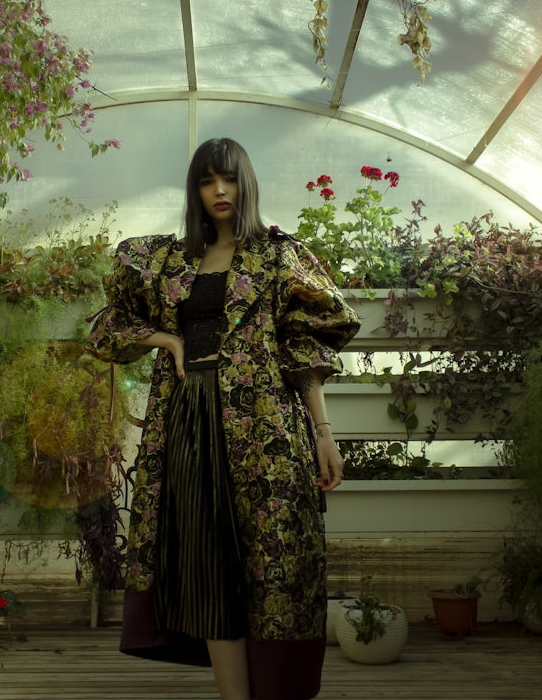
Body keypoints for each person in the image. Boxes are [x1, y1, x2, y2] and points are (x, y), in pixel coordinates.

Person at [86, 138, 361, 700]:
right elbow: (104, 328)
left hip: (266, 428)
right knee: (207, 567)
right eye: (208, 181)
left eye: (229, 180)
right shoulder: (163, 261)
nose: (219, 191)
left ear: (246, 184)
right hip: (187, 423)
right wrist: (166, 338)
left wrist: (324, 435)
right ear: (194, 189)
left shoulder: (279, 257)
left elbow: (303, 350)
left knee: (273, 559)